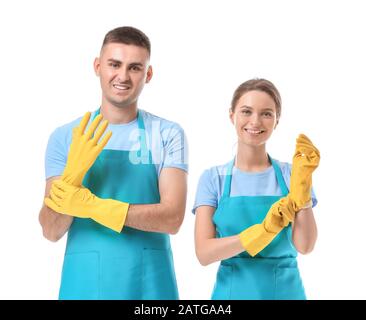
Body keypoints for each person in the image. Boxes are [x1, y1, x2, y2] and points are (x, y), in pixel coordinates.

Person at [39, 26, 188, 300]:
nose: (123, 76)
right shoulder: (65, 137)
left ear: (148, 74)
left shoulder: (167, 134)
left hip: (149, 284)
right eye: (114, 64)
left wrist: (93, 206)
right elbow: (50, 230)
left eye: (134, 67)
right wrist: (73, 176)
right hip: (84, 283)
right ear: (98, 66)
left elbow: (173, 218)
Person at [193, 78, 319, 300]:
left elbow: (305, 246)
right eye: (246, 111)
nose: (255, 121)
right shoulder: (213, 179)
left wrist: (303, 193)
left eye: (266, 113)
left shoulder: (293, 175)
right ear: (232, 115)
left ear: (276, 120)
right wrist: (261, 233)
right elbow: (204, 253)